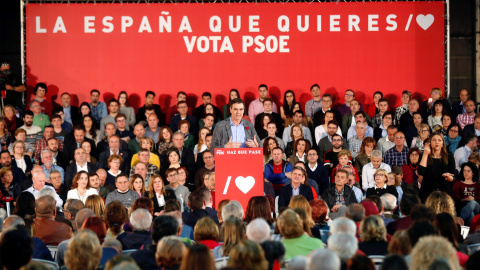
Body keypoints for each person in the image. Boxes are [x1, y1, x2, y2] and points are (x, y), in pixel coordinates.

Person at [418, 133, 456, 202]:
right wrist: (425, 154)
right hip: (428, 191)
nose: (437, 142)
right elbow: (421, 172)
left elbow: (453, 177)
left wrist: (449, 178)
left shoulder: (449, 157)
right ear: (430, 143)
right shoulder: (424, 156)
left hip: (444, 192)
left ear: (443, 144)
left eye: (439, 140)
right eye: (434, 140)